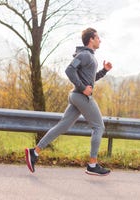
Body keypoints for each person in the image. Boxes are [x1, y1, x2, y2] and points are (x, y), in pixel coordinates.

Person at [25, 27, 112, 176]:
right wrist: (83, 87)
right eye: (98, 37)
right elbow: (69, 70)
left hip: (76, 96)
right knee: (99, 127)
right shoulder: (85, 55)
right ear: (91, 39)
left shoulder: (90, 56)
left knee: (62, 126)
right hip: (80, 96)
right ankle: (92, 164)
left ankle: (34, 152)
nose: (100, 40)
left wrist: (103, 71)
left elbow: (90, 79)